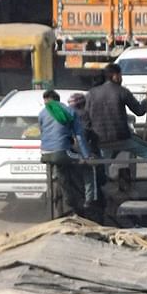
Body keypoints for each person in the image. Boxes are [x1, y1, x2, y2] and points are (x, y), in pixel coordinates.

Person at [85, 63, 147, 199]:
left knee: (102, 166)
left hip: (100, 140)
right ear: (115, 76)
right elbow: (139, 111)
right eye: (121, 75)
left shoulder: (91, 94)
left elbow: (87, 118)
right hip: (122, 138)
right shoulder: (122, 91)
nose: (121, 78)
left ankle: (98, 195)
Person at [39, 89, 95, 217]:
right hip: (62, 152)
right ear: (58, 100)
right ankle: (88, 201)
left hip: (46, 153)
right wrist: (87, 156)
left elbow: (43, 134)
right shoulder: (69, 111)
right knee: (87, 165)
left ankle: (68, 199)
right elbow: (79, 136)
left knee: (61, 170)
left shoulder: (42, 113)